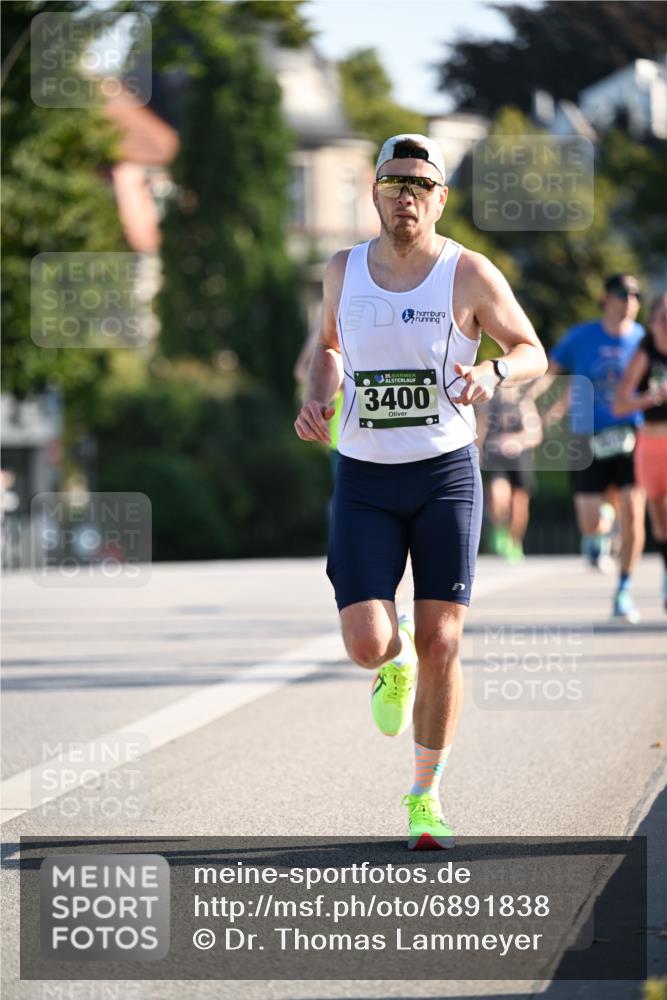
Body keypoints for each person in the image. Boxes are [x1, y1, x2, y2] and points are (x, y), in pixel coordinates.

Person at [294, 133, 547, 849]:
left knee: (444, 639)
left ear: (439, 199)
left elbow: (531, 350)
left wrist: (493, 372)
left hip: (444, 474)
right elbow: (328, 348)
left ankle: (424, 795)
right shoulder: (343, 269)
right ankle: (392, 659)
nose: (404, 195)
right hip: (365, 476)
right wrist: (317, 397)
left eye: (419, 185)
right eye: (392, 182)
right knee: (368, 644)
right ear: (373, 193)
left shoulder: (468, 272)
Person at [548, 273, 646, 622]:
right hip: (586, 436)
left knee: (633, 511)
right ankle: (602, 527)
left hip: (632, 434)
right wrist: (532, 402)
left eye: (635, 295)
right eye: (622, 293)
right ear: (606, 299)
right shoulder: (581, 336)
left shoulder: (645, 340)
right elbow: (551, 370)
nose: (630, 300)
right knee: (590, 522)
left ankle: (623, 590)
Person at [614, 292, 667, 610]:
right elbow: (620, 404)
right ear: (653, 322)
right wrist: (651, 397)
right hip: (649, 446)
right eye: (663, 318)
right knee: (659, 519)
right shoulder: (644, 355)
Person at [476, 383, 543, 562]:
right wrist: (478, 450)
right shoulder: (489, 402)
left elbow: (535, 434)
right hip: (496, 458)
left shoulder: (524, 402)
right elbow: (481, 428)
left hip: (520, 459)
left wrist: (515, 441)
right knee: (498, 497)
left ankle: (515, 541)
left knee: (519, 506)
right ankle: (500, 531)